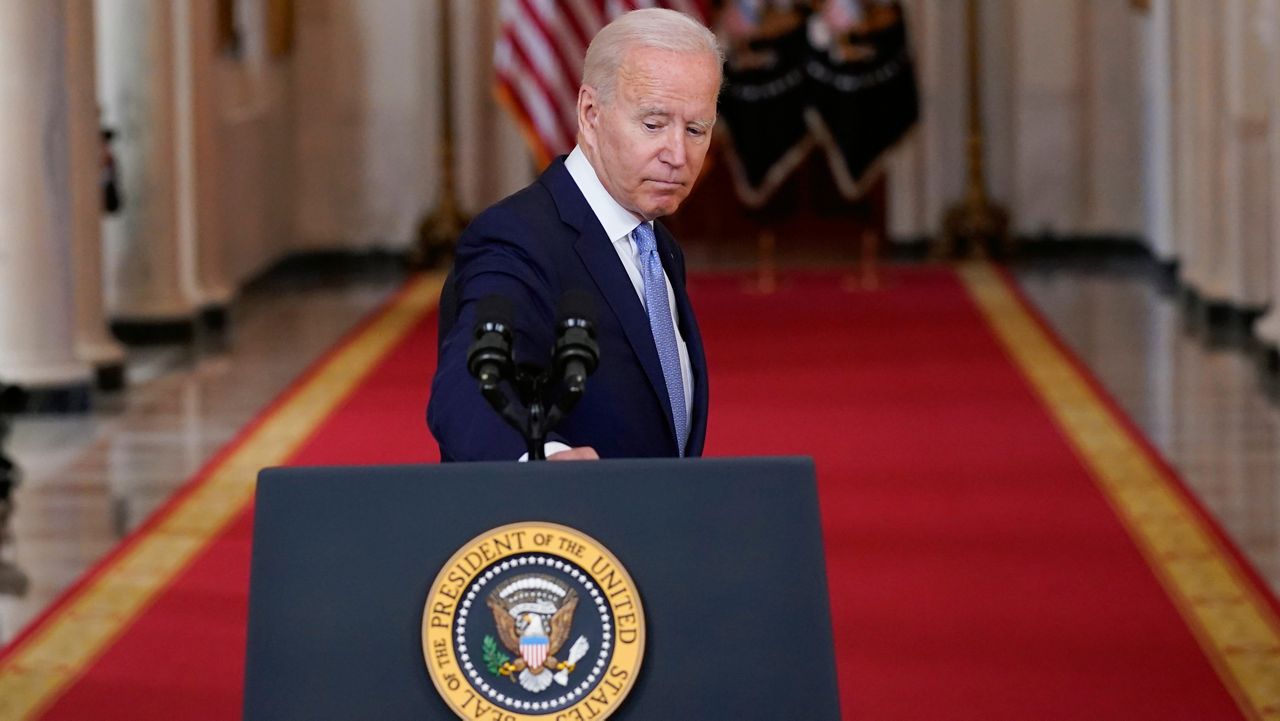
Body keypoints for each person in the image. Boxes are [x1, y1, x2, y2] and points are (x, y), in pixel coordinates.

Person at [428, 8, 722, 462]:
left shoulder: (657, 245)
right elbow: (468, 391)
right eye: (653, 124)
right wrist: (539, 464)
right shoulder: (517, 238)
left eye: (696, 129)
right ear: (590, 113)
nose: (678, 154)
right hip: (561, 526)